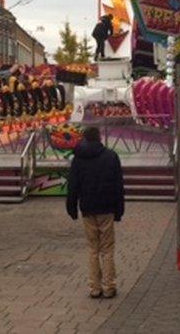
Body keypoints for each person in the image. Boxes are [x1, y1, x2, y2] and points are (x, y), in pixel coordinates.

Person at [66, 126, 124, 299]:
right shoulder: (111, 156)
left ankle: (94, 288)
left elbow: (73, 186)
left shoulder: (78, 159)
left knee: (93, 248)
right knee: (107, 248)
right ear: (99, 137)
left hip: (88, 208)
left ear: (84, 138)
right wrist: (119, 210)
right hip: (106, 208)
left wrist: (72, 208)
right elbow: (118, 186)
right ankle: (109, 286)